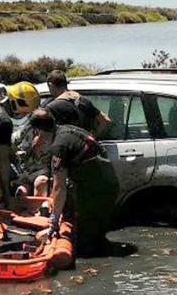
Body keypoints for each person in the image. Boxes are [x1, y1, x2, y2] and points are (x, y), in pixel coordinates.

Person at [28, 108, 119, 258]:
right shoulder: (66, 130)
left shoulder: (59, 146)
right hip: (106, 182)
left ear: (39, 131)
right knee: (94, 233)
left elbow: (59, 186)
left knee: (86, 241)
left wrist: (54, 221)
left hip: (97, 189)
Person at [0, 81, 39, 207]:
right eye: (24, 113)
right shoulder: (4, 122)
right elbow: (3, 161)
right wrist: (6, 195)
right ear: (16, 104)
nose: (24, 115)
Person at [44, 70, 111, 135]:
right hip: (85, 145)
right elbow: (105, 120)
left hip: (64, 145)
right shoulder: (84, 101)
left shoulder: (52, 107)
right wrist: (93, 137)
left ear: (50, 85)